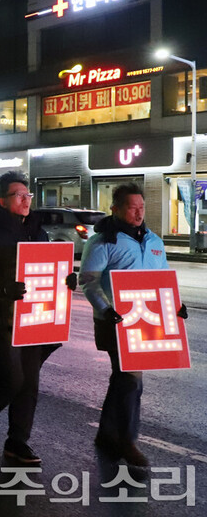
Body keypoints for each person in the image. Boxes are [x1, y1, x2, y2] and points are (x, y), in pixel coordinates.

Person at [0, 171, 76, 465]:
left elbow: (48, 269)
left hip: (34, 318)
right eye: (18, 195)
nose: (26, 200)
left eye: (28, 195)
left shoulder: (37, 232)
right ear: (2, 201)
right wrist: (2, 288)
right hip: (1, 320)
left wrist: (65, 280)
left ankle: (17, 442)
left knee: (30, 385)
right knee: (13, 379)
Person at [79, 183, 187, 468]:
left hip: (145, 321)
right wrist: (106, 309)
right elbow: (88, 281)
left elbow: (162, 278)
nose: (139, 213)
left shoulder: (153, 241)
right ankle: (128, 441)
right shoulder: (103, 241)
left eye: (142, 207)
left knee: (124, 379)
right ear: (115, 209)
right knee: (131, 380)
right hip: (115, 323)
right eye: (132, 207)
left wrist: (176, 306)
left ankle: (107, 433)